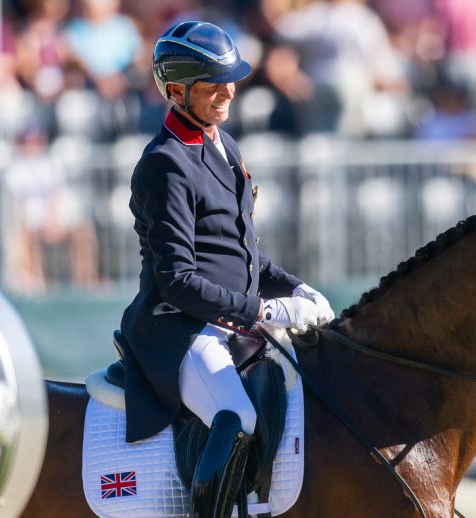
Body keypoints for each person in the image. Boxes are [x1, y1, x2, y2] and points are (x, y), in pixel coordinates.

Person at [119, 20, 334, 518]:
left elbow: (242, 254)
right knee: (235, 417)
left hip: (228, 322)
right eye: (211, 84)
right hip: (181, 327)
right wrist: (262, 310)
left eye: (230, 80)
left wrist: (298, 287)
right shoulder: (165, 163)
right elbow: (176, 278)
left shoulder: (224, 145)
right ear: (176, 91)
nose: (227, 91)